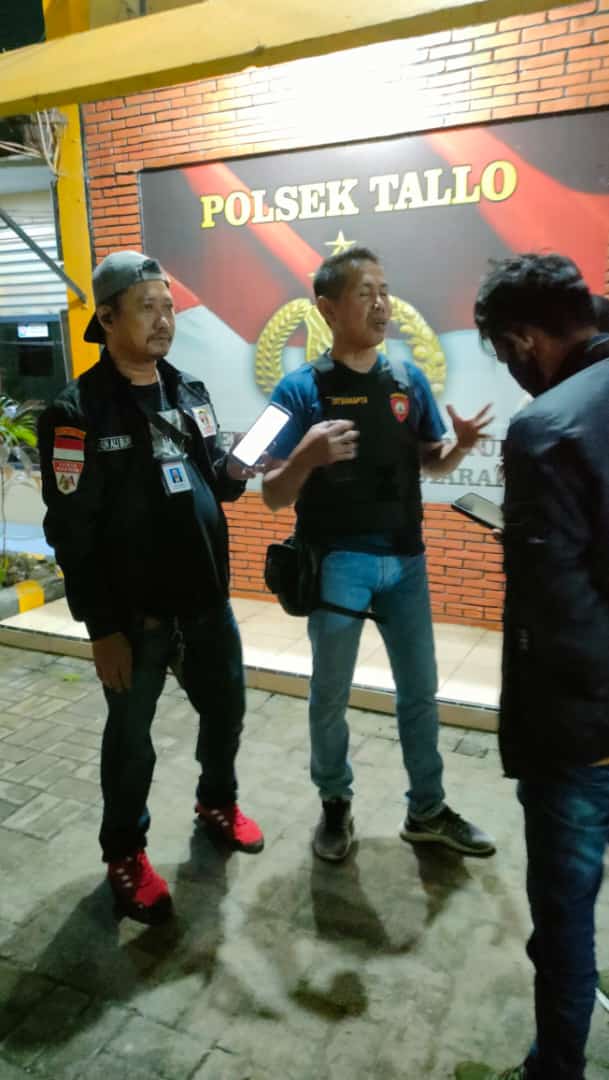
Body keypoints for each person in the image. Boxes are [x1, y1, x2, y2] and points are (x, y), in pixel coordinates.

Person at [38, 251, 264, 926]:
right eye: (147, 307)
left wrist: (238, 468)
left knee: (226, 714)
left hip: (206, 604)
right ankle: (125, 853)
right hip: (134, 620)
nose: (164, 319)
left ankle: (216, 802)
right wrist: (102, 629)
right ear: (107, 319)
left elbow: (217, 483)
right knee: (131, 743)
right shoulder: (76, 412)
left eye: (168, 307)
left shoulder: (188, 390)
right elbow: (70, 531)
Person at [262, 246, 496, 862]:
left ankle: (427, 810)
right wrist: (307, 457)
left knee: (420, 693)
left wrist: (459, 447)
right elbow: (269, 493)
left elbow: (429, 460)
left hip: (406, 561)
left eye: (384, 291)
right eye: (365, 293)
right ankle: (334, 804)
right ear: (327, 308)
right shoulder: (297, 389)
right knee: (330, 697)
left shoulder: (406, 380)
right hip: (337, 564)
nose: (381, 305)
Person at [455, 257, 609, 1080]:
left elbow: (558, 616)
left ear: (521, 340)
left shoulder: (546, 428)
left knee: (566, 919)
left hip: (583, 733)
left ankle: (556, 1067)